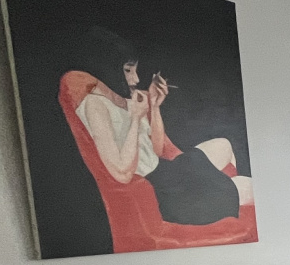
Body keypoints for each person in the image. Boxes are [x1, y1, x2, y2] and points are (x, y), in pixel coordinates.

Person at [72, 28, 252, 224]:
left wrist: (154, 106)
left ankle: (215, 186)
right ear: (107, 67)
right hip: (161, 191)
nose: (135, 79)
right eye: (128, 70)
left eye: (135, 70)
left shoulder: (126, 99)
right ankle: (218, 191)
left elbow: (156, 150)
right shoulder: (95, 105)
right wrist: (135, 119)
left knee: (224, 144)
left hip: (167, 171)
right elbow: (121, 173)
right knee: (247, 186)